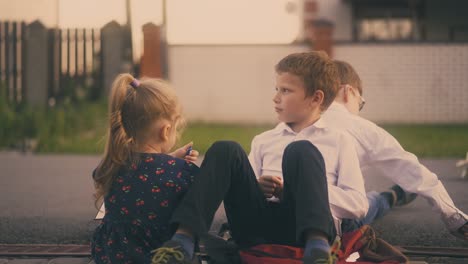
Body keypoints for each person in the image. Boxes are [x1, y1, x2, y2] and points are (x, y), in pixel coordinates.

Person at [151, 51, 368, 264]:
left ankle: (318, 251)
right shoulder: (264, 140)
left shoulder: (339, 141)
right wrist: (258, 187)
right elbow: (244, 189)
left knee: (301, 150)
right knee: (226, 148)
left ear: (315, 98)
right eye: (277, 89)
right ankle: (183, 240)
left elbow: (358, 205)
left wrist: (301, 190)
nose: (276, 98)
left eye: (286, 90)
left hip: (304, 228)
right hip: (256, 229)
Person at [321, 60, 468, 239]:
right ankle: (390, 197)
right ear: (348, 92)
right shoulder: (361, 128)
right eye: (361, 103)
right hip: (333, 224)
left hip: (288, 217)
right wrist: (454, 217)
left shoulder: (292, 125)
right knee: (370, 202)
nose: (359, 111)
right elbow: (413, 171)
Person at [90, 74, 200, 264]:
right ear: (165, 131)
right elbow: (197, 205)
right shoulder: (182, 171)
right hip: (156, 255)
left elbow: (145, 171)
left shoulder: (112, 165)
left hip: (110, 256)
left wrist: (170, 159)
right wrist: (177, 163)